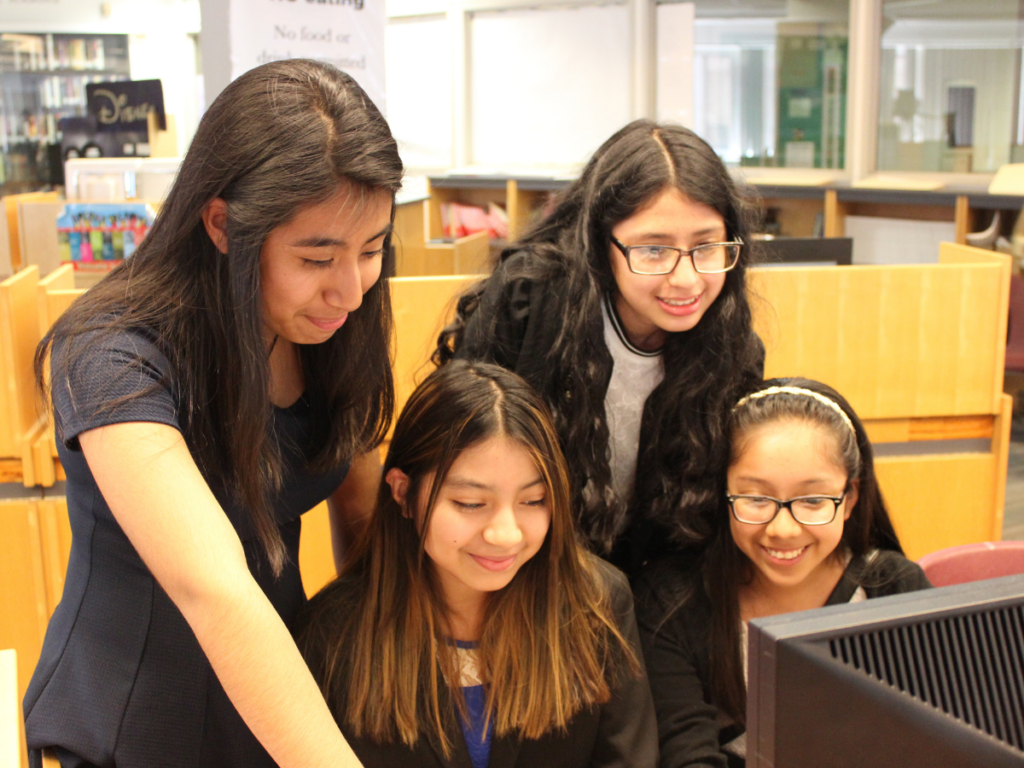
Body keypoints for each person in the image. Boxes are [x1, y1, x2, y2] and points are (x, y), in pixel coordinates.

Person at [23, 60, 402, 768]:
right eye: (317, 257)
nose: (350, 289)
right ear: (223, 224)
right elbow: (213, 586)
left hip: (273, 697)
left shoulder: (329, 326)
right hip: (134, 718)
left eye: (372, 249)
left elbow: (362, 517)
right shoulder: (112, 350)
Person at [435, 120, 764, 576]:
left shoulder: (732, 343)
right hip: (524, 567)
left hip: (656, 577)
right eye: (654, 250)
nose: (686, 278)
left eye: (706, 247)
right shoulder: (529, 300)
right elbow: (461, 456)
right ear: (600, 242)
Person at [294, 360, 659, 768]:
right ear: (402, 493)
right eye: (471, 504)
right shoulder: (332, 636)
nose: (506, 534)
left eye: (533, 501)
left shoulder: (598, 604)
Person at [635, 378, 933, 768]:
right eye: (756, 498)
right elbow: (686, 754)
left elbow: (946, 736)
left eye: (812, 500)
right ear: (722, 493)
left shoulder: (894, 588)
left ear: (850, 499)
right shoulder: (671, 602)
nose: (783, 529)